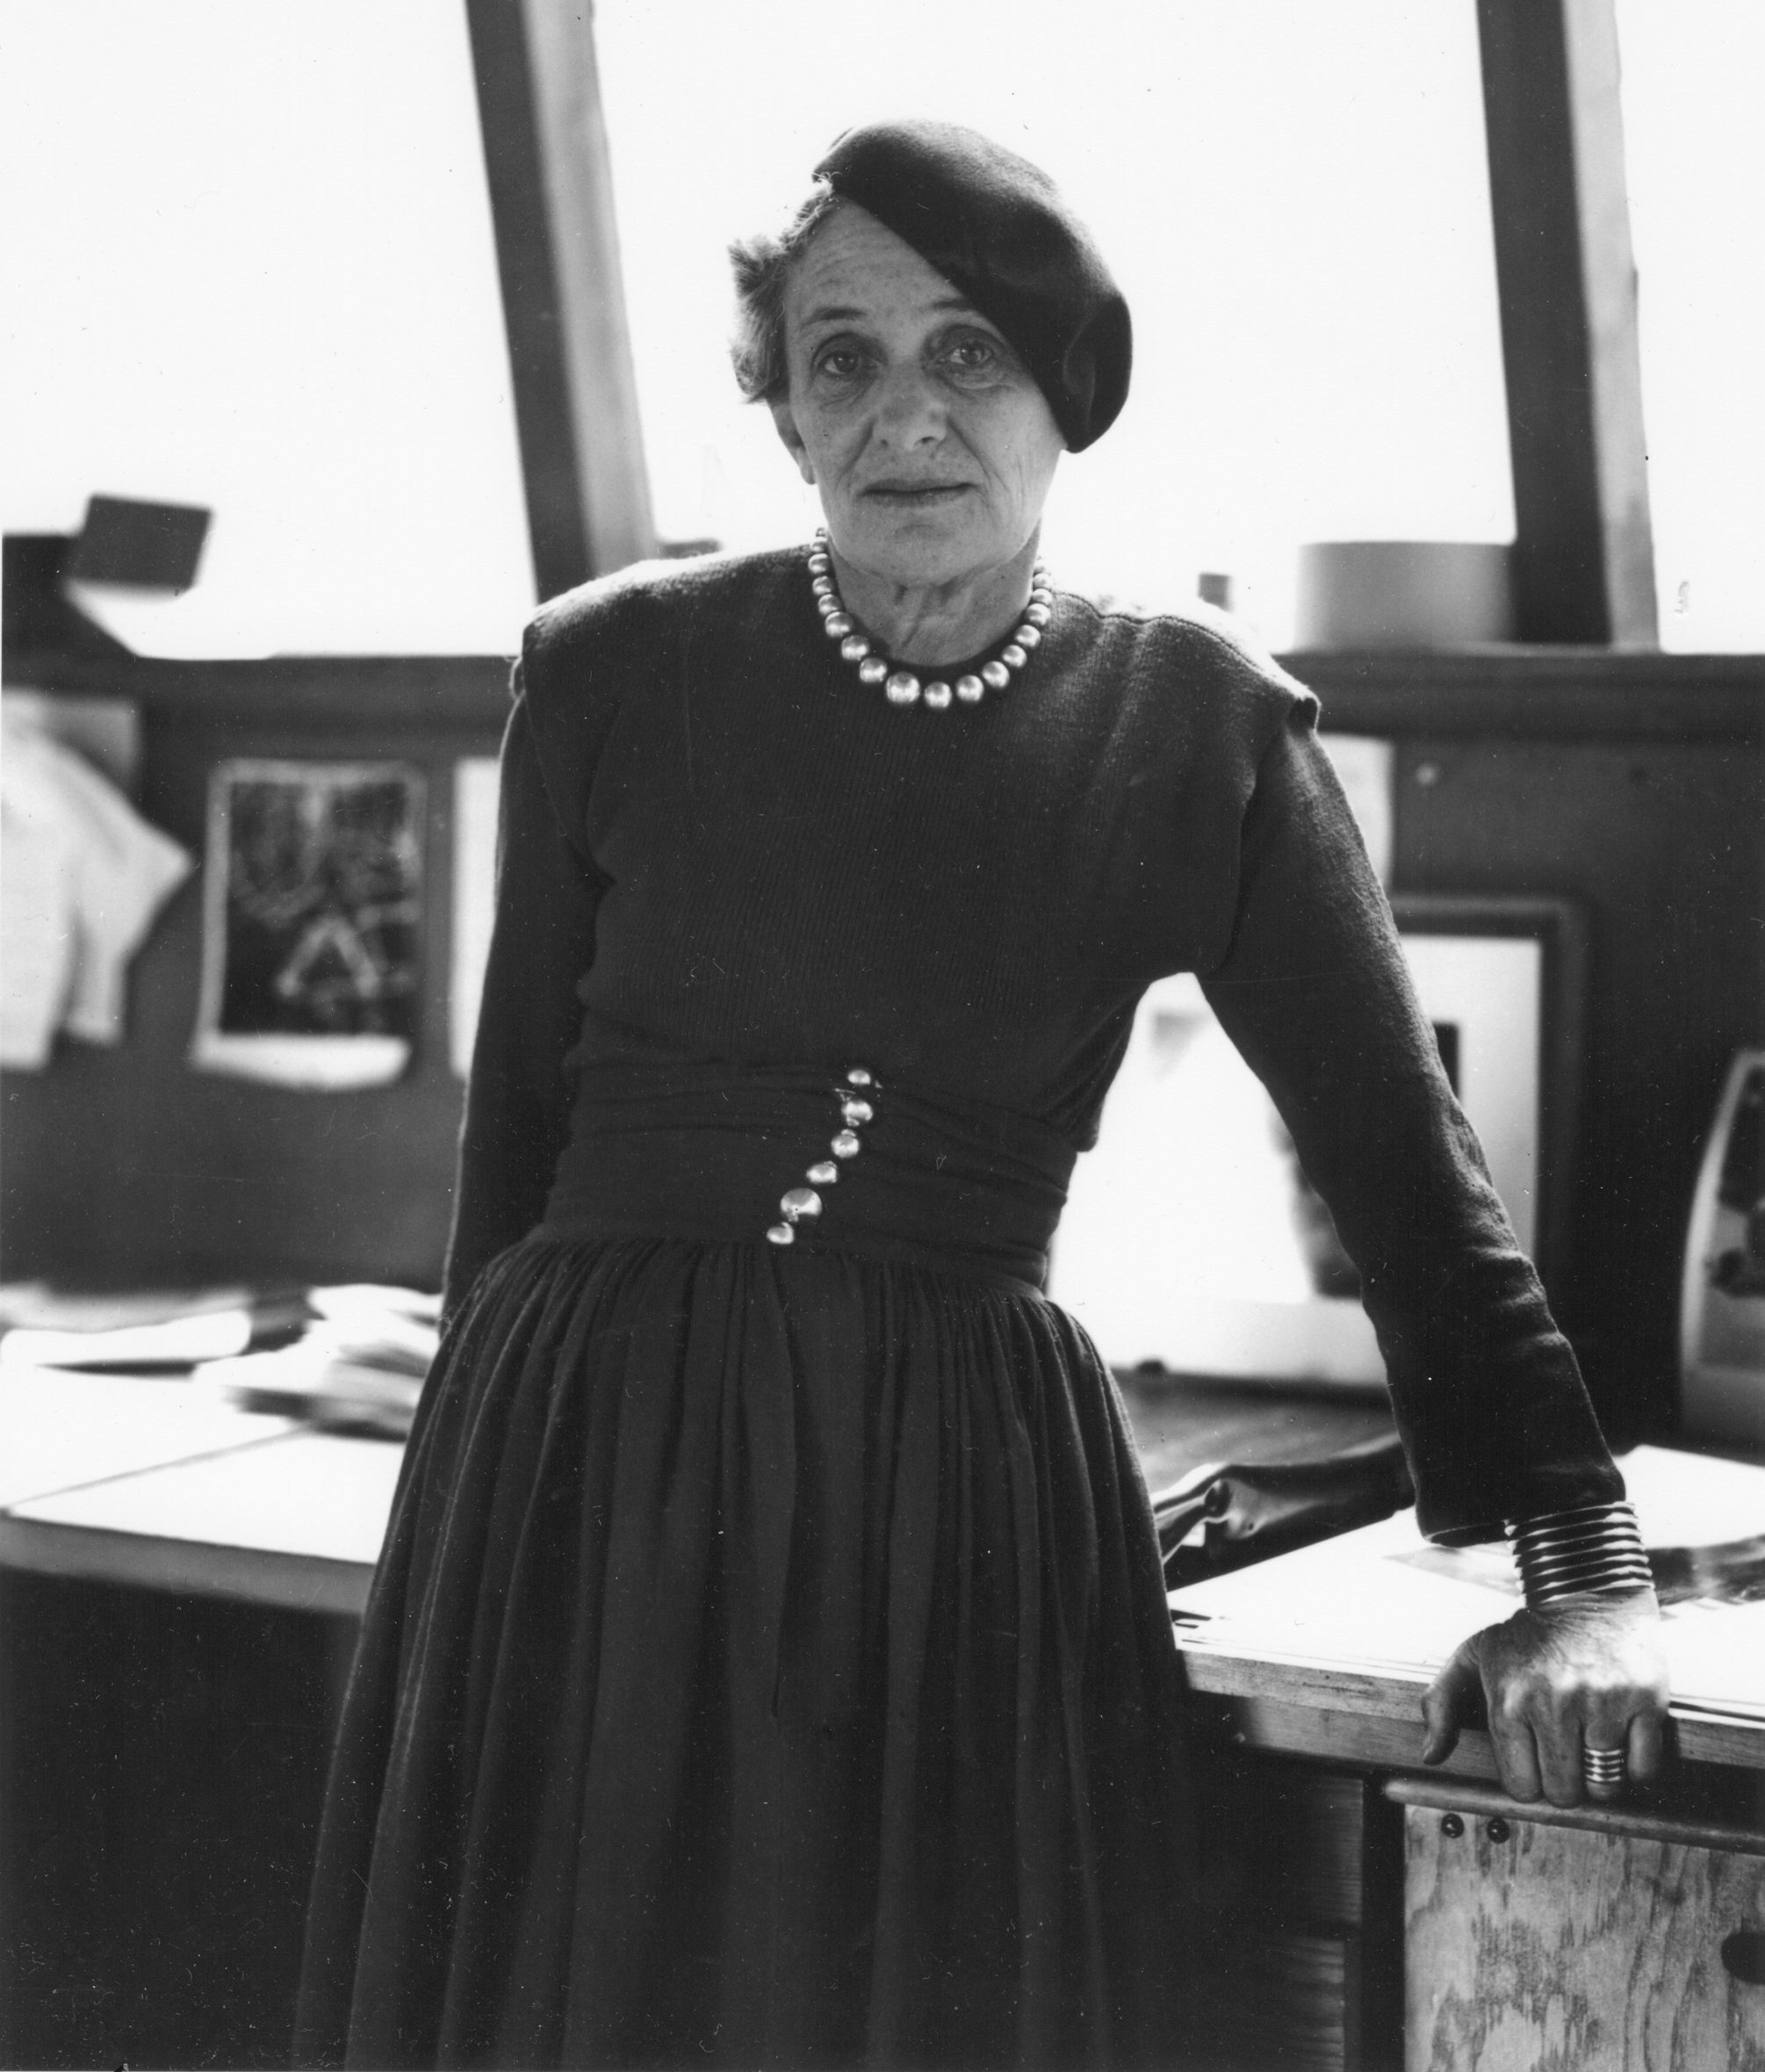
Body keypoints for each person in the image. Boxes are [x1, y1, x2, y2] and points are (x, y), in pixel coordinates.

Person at [296, 119, 1668, 2069]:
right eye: (841, 357)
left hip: (941, 1514)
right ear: (781, 411)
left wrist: (1582, 1569)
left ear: (1063, 393)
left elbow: (1410, 1173)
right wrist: (460, 1543)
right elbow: (508, 1141)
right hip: (580, 1485)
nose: (906, 415)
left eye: (969, 355)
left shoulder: (1194, 720)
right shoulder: (611, 668)